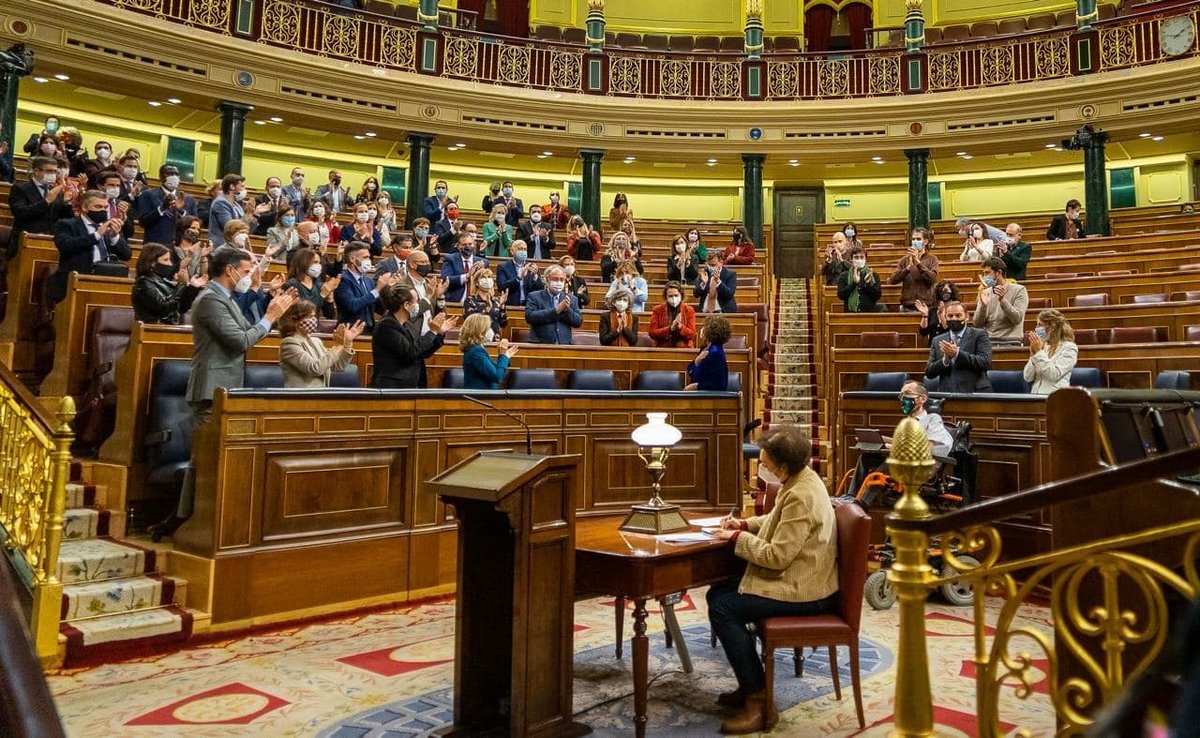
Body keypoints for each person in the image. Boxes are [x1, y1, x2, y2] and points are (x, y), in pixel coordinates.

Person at [155, 249, 298, 540]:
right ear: (229, 270)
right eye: (246, 271)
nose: (249, 276)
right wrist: (270, 317)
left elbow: (247, 329)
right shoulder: (209, 299)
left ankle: (182, 518)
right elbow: (240, 341)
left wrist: (270, 305)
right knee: (207, 460)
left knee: (203, 460)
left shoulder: (226, 298)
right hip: (210, 389)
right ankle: (188, 521)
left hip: (225, 388)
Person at [708, 424, 838, 734]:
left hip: (807, 590)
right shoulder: (801, 479)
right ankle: (749, 681)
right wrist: (745, 523)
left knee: (723, 607)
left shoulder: (801, 494)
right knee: (718, 593)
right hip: (802, 577)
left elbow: (777, 557)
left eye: (765, 463)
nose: (761, 467)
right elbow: (776, 520)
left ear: (781, 465)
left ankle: (759, 701)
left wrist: (736, 538)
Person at [49, 189, 132, 303]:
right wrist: (97, 235)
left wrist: (114, 237)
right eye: (98, 207)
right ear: (84, 208)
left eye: (105, 207)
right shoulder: (67, 224)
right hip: (75, 281)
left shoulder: (109, 226)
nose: (103, 211)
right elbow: (65, 246)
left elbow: (126, 255)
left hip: (105, 281)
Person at [370, 284, 457, 389]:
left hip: (409, 385)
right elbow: (410, 352)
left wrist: (439, 333)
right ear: (406, 305)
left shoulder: (405, 324)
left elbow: (422, 352)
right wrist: (432, 331)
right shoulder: (387, 325)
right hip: (392, 388)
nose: (418, 305)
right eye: (416, 301)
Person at [278, 301, 361, 388]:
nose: (314, 320)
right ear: (295, 320)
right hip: (302, 397)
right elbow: (315, 369)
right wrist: (337, 346)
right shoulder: (289, 343)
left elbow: (337, 365)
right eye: (310, 317)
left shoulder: (315, 341)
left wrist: (347, 343)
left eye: (314, 316)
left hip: (320, 395)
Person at [8, 156, 73, 259]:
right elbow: (20, 213)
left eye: (55, 171)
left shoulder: (57, 191)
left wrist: (67, 204)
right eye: (49, 171)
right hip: (26, 240)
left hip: (50, 241)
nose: (53, 175)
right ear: (36, 171)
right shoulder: (20, 188)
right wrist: (46, 201)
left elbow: (63, 218)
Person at [925, 301, 992, 393]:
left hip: (975, 392)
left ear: (967, 317)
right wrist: (945, 361)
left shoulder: (979, 335)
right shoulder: (938, 340)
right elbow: (929, 372)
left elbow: (984, 363)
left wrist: (957, 354)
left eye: (958, 315)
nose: (954, 319)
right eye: (950, 316)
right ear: (945, 317)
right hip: (947, 393)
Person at [131, 243, 206, 324]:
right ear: (153, 263)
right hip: (151, 330)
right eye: (166, 260)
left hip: (166, 329)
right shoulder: (143, 283)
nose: (170, 264)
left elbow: (180, 308)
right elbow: (164, 308)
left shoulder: (162, 280)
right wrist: (186, 286)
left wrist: (192, 287)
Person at [334, 242, 397, 332]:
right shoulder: (343, 280)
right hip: (349, 330)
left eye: (368, 257)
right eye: (365, 257)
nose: (368, 261)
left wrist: (386, 288)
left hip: (369, 330)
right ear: (352, 259)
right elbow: (353, 306)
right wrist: (377, 289)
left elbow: (381, 309)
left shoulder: (368, 281)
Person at [972, 257, 1028, 344]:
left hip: (1011, 341)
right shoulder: (985, 292)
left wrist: (1002, 300)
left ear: (999, 272)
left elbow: (1017, 319)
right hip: (989, 341)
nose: (985, 277)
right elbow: (977, 324)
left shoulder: (1019, 290)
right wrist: (983, 307)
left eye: (987, 273)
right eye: (984, 274)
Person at [136, 164, 196, 245]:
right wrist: (161, 208)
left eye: (176, 174)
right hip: (156, 245)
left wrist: (181, 212)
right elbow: (143, 222)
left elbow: (195, 226)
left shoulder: (188, 199)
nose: (173, 176)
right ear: (160, 176)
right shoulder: (148, 195)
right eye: (169, 173)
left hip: (181, 247)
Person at [1023, 308, 1078, 395]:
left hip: (1056, 398)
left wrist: (1038, 354)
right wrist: (1033, 356)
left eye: (1040, 325)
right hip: (1035, 397)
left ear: (1052, 327)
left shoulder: (1069, 348)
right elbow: (1027, 377)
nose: (1036, 329)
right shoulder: (1042, 346)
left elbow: (1054, 375)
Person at [524, 265, 582, 344]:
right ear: (547, 280)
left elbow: (578, 322)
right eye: (555, 279)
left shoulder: (571, 299)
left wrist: (567, 310)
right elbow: (530, 317)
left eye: (561, 280)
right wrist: (556, 310)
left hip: (564, 345)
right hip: (540, 344)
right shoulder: (534, 296)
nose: (559, 282)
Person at [460, 313, 519, 389]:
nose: (490, 330)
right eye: (488, 328)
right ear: (480, 330)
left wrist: (506, 356)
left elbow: (494, 369)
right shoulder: (476, 351)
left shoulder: (477, 348)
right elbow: (497, 376)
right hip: (480, 397)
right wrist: (503, 355)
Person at [888, 227, 940, 311]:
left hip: (926, 306)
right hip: (907, 306)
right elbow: (893, 280)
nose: (915, 241)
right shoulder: (904, 260)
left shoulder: (932, 259)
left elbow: (932, 279)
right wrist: (907, 268)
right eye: (913, 239)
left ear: (926, 241)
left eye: (918, 239)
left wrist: (918, 263)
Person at [208, 174, 262, 247]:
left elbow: (245, 230)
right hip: (221, 246)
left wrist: (255, 214)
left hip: (235, 246)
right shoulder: (220, 203)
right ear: (232, 187)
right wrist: (248, 214)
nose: (244, 190)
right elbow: (231, 228)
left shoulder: (237, 205)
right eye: (242, 186)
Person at [285, 246, 339, 317]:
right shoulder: (292, 284)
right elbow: (304, 312)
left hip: (314, 326)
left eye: (319, 263)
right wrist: (322, 296)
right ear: (304, 263)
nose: (319, 266)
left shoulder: (319, 285)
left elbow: (330, 316)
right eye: (315, 262)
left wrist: (330, 299)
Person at [441, 231, 489, 303]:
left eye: (470, 244)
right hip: (456, 301)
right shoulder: (450, 259)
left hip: (477, 302)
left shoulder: (483, 262)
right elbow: (446, 279)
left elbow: (487, 283)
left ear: (474, 245)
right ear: (458, 246)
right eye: (464, 244)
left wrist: (481, 273)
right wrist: (467, 276)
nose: (468, 247)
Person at [686, 314, 731, 391]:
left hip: (708, 398)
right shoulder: (706, 348)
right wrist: (696, 361)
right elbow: (691, 370)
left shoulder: (715, 353)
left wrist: (696, 386)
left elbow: (718, 384)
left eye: (705, 327)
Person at [648, 282, 697, 348]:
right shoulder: (657, 310)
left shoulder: (689, 310)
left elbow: (692, 334)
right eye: (670, 296)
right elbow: (652, 333)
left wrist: (680, 327)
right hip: (663, 349)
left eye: (676, 295)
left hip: (684, 348)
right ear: (666, 297)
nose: (674, 298)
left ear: (681, 295)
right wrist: (670, 329)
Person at [836, 245, 881, 313]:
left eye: (862, 257)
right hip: (850, 314)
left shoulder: (873, 275)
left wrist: (867, 284)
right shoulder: (844, 276)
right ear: (851, 259)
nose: (859, 260)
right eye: (856, 257)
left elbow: (877, 296)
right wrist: (854, 283)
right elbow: (841, 295)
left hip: (870, 314)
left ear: (865, 259)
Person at [497, 240, 543, 307]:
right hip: (511, 304)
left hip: (529, 305)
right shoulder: (503, 267)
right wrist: (518, 278)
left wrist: (535, 277)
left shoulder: (532, 267)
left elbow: (540, 288)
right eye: (520, 249)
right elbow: (501, 286)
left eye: (525, 249)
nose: (523, 251)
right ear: (512, 251)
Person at [463, 267, 508, 334]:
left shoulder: (496, 301)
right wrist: (487, 310)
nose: (487, 280)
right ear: (477, 283)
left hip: (494, 340)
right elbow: (471, 323)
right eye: (483, 277)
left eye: (489, 277)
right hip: (477, 338)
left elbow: (503, 324)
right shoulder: (470, 301)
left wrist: (502, 307)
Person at [916, 279, 960, 347]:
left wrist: (941, 314)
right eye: (941, 290)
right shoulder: (932, 310)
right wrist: (925, 316)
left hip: (949, 347)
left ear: (952, 292)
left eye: (946, 290)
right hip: (933, 347)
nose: (944, 293)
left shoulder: (956, 309)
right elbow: (923, 332)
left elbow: (949, 331)